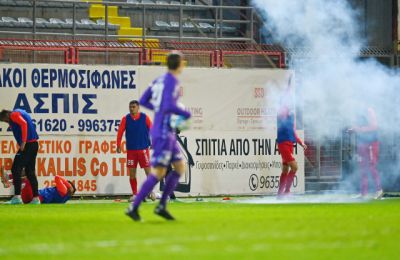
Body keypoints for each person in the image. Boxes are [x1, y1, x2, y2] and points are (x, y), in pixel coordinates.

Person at [126, 51, 191, 221]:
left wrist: (159, 108)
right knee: (159, 172)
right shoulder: (172, 81)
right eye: (182, 63)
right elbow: (169, 104)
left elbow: (143, 99)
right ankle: (136, 206)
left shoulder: (159, 80)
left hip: (165, 130)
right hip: (163, 132)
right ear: (179, 64)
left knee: (180, 166)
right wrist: (184, 113)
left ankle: (161, 205)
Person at [116, 100, 155, 202]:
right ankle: (135, 194)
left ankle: (151, 192)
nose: (131, 108)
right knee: (132, 174)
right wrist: (118, 144)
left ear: (138, 108)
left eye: (133, 107)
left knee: (149, 173)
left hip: (143, 150)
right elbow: (120, 132)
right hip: (131, 151)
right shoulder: (126, 119)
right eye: (130, 107)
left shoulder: (144, 117)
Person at [0, 109, 40, 204]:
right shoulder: (21, 112)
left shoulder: (14, 115)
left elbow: (24, 124)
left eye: (5, 120)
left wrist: (24, 141)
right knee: (30, 171)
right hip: (34, 144)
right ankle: (36, 198)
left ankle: (17, 197)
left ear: (6, 115)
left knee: (15, 168)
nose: (6, 122)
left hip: (28, 145)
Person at [276, 92, 307, 198]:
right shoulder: (281, 114)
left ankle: (280, 194)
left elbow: (293, 133)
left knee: (285, 169)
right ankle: (286, 191)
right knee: (294, 167)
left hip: (289, 145)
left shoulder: (290, 116)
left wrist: (301, 143)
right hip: (283, 144)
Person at [349, 107, 383, 199]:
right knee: (362, 168)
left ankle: (379, 191)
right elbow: (358, 127)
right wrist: (353, 129)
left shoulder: (369, 111)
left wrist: (359, 129)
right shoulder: (357, 112)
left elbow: (375, 126)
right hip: (362, 143)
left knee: (372, 166)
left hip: (372, 143)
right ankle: (363, 193)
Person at [1, 168, 76, 204]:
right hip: (31, 197)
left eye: (70, 184)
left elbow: (57, 177)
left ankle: (9, 180)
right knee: (28, 177)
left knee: (31, 174)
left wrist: (66, 183)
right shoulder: (63, 196)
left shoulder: (64, 191)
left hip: (34, 197)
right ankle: (9, 180)